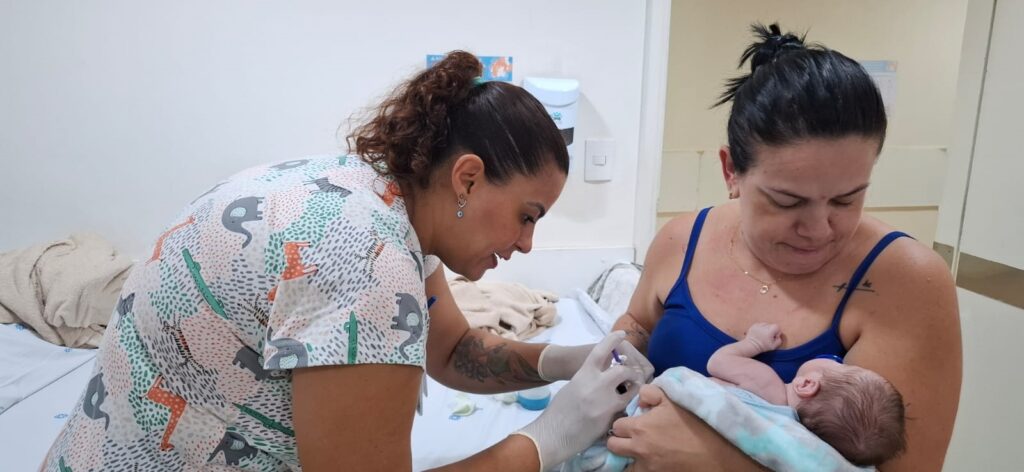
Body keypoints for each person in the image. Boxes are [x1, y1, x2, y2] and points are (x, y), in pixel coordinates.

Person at [42, 51, 652, 471]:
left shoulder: (379, 198)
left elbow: (451, 350)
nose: (526, 246)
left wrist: (563, 360)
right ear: (468, 178)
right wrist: (553, 437)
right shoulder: (365, 260)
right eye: (529, 214)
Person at [606, 23, 961, 471]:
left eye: (846, 199)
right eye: (787, 201)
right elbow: (638, 324)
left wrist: (721, 462)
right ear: (731, 170)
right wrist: (608, 362)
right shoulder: (682, 239)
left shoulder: (906, 281)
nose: (818, 229)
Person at [708, 322, 906, 466]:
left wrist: (754, 342)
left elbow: (718, 362)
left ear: (807, 384)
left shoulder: (767, 384)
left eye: (841, 365)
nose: (837, 361)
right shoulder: (790, 442)